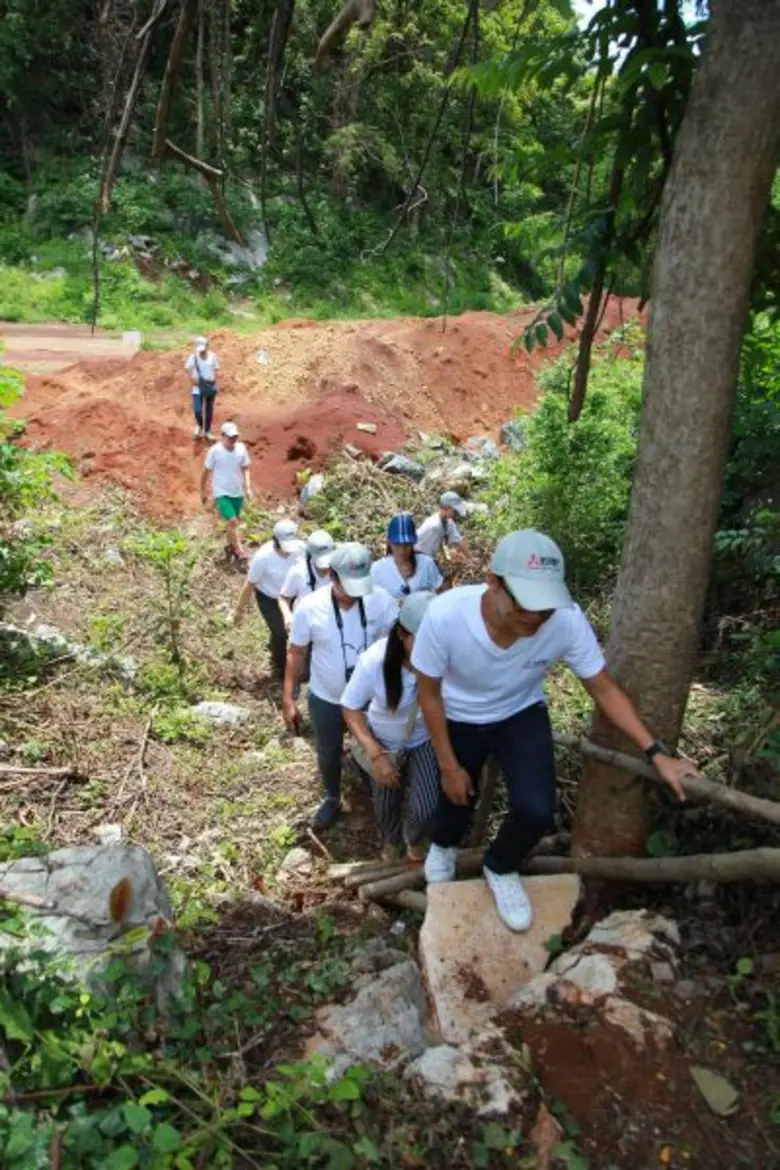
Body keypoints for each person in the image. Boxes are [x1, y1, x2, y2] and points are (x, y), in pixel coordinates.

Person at [411, 529, 701, 933]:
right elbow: (429, 695)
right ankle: (443, 846)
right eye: (527, 605)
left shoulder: (563, 621)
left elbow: (601, 686)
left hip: (519, 711)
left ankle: (500, 866)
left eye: (545, 608)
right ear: (494, 583)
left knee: (536, 809)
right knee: (457, 795)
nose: (536, 618)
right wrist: (447, 764)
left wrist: (656, 752)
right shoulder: (445, 615)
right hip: (459, 714)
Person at [283, 543, 398, 829]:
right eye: (349, 586)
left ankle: (376, 792)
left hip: (370, 699)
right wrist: (289, 698)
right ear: (332, 576)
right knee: (328, 750)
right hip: (327, 697)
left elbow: (396, 645)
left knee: (375, 745)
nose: (355, 594)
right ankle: (333, 796)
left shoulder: (381, 600)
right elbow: (296, 653)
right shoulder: (309, 607)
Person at [342, 591, 440, 863]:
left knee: (426, 806)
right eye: (424, 640)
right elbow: (350, 708)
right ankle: (392, 841)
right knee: (386, 802)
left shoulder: (445, 658)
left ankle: (414, 840)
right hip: (383, 740)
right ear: (402, 634)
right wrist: (375, 754)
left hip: (424, 739)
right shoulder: (374, 661)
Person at [234, 519, 302, 677]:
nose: (289, 551)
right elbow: (249, 584)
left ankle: (297, 662)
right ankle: (281, 668)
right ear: (276, 541)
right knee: (280, 634)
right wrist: (239, 611)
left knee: (296, 628)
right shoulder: (263, 558)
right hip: (269, 597)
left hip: (291, 595)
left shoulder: (301, 549)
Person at [200, 421, 251, 562]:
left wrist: (247, 486)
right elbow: (205, 472)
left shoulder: (241, 449)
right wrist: (203, 492)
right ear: (222, 436)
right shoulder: (215, 451)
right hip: (221, 492)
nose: (233, 440)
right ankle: (239, 549)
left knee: (232, 523)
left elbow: (246, 467)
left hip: (237, 491)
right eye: (230, 437)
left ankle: (230, 546)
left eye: (235, 437)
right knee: (233, 521)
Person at [370, 513, 443, 599]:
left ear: (413, 543)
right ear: (389, 542)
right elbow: (370, 602)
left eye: (407, 545)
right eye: (397, 545)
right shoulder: (377, 569)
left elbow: (440, 594)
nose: (402, 550)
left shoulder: (426, 564)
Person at [278, 530, 336, 632]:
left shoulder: (341, 571)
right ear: (310, 555)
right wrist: (287, 616)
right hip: (304, 627)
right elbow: (283, 597)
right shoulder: (298, 571)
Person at [415, 491, 469, 561]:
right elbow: (422, 553)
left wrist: (471, 558)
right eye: (454, 510)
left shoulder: (449, 523)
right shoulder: (433, 527)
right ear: (446, 508)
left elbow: (459, 542)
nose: (457, 513)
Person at [186, 336, 220, 440]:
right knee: (198, 411)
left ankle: (207, 431)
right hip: (197, 388)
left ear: (207, 346)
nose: (201, 351)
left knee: (209, 410)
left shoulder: (213, 356)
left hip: (209, 386)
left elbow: (216, 369)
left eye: (203, 349)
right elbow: (187, 369)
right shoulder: (193, 357)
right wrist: (192, 380)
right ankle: (199, 425)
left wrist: (214, 378)